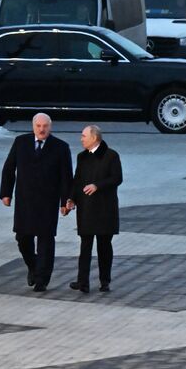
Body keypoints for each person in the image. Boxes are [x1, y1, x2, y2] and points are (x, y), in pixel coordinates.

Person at [0, 113, 73, 292]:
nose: (42, 129)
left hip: (48, 201)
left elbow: (66, 177)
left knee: (46, 240)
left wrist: (66, 200)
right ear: (33, 127)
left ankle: (42, 279)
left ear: (50, 126)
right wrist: (6, 193)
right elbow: (9, 168)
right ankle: (33, 265)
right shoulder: (21, 142)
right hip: (25, 200)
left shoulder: (61, 147)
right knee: (23, 238)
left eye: (45, 126)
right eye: (38, 126)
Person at [68, 125, 121, 293]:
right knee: (85, 246)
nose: (81, 139)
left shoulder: (111, 156)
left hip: (105, 209)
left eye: (84, 136)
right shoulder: (82, 157)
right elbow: (77, 180)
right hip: (86, 208)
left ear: (94, 138)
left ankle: (104, 281)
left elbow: (117, 178)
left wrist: (97, 185)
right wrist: (71, 199)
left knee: (104, 245)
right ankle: (82, 281)